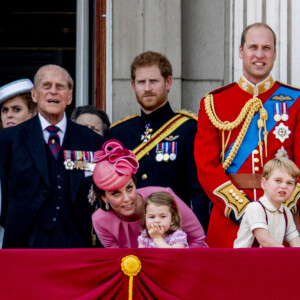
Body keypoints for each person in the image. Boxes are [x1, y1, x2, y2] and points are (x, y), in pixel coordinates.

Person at [194, 23, 300, 248]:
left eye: (266, 48)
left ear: (275, 53)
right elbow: (206, 167)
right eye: (253, 47)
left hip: (283, 217)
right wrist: (245, 210)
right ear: (241, 51)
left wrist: (278, 207)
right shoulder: (214, 102)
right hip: (230, 221)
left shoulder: (296, 101)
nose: (259, 55)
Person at [0, 64, 105, 248]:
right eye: (46, 86)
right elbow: (3, 197)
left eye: (60, 87)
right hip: (26, 240)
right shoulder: (9, 139)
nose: (53, 92)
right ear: (34, 94)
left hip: (77, 240)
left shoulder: (91, 140)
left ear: (70, 96)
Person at [109, 51, 210, 232]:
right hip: (130, 233)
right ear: (133, 85)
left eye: (154, 81)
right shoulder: (118, 133)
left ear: (168, 82)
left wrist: (199, 236)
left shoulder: (188, 129)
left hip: (173, 234)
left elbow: (199, 192)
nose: (147, 88)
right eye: (141, 82)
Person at [90, 139, 208, 248]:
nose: (127, 198)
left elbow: (198, 239)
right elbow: (118, 260)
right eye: (116, 193)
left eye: (129, 188)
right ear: (104, 197)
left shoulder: (164, 197)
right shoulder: (100, 220)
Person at [234, 156, 300, 248]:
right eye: (278, 181)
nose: (284, 186)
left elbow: (295, 240)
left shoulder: (286, 212)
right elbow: (264, 240)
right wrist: (286, 255)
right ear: (264, 183)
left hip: (269, 258)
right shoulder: (255, 207)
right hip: (246, 260)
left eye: (289, 183)